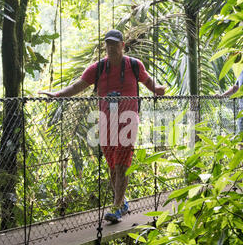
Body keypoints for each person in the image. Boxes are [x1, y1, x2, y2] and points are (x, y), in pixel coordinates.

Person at [38, 29, 165, 223]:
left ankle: (116, 208)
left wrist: (157, 89)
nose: (111, 47)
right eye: (108, 44)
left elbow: (148, 81)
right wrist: (57, 95)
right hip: (105, 122)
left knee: (122, 164)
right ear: (105, 46)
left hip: (128, 121)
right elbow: (76, 87)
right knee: (113, 165)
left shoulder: (133, 65)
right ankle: (121, 203)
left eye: (115, 44)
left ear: (122, 45)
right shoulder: (97, 68)